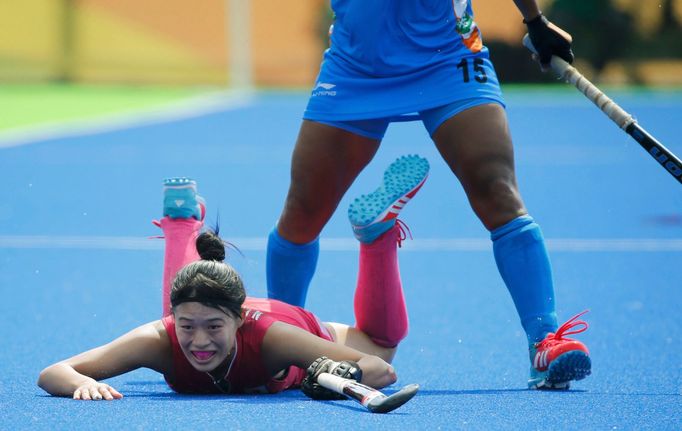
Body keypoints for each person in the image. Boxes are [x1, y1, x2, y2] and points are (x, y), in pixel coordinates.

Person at [265, 0, 591, 390]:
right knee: (304, 210)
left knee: (497, 191)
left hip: (448, 57)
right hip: (357, 64)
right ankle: (284, 344)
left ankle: (544, 341)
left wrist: (535, 20)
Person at [37, 164, 426, 400]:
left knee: (384, 344)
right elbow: (53, 372)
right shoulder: (161, 338)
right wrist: (78, 385)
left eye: (214, 328)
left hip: (286, 317)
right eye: (186, 327)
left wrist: (348, 374)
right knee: (189, 305)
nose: (199, 342)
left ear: (239, 319)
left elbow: (381, 370)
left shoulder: (275, 339)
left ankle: (377, 240)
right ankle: (182, 227)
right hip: (209, 304)